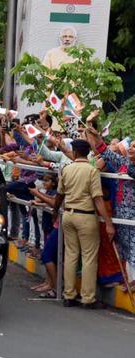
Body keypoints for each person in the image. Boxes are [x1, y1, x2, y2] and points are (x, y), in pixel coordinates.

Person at [53, 139, 115, 309]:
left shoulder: (67, 169)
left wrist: (54, 212)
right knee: (88, 257)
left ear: (74, 153)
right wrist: (108, 222)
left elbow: (59, 195)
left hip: (68, 215)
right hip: (86, 216)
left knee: (71, 255)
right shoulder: (91, 171)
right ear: (88, 153)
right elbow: (97, 198)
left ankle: (69, 295)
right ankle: (88, 298)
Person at [86, 126, 135, 291]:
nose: (131, 149)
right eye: (131, 146)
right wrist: (96, 137)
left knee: (134, 248)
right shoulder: (124, 162)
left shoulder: (128, 165)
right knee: (126, 248)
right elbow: (106, 154)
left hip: (133, 216)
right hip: (121, 214)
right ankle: (132, 280)